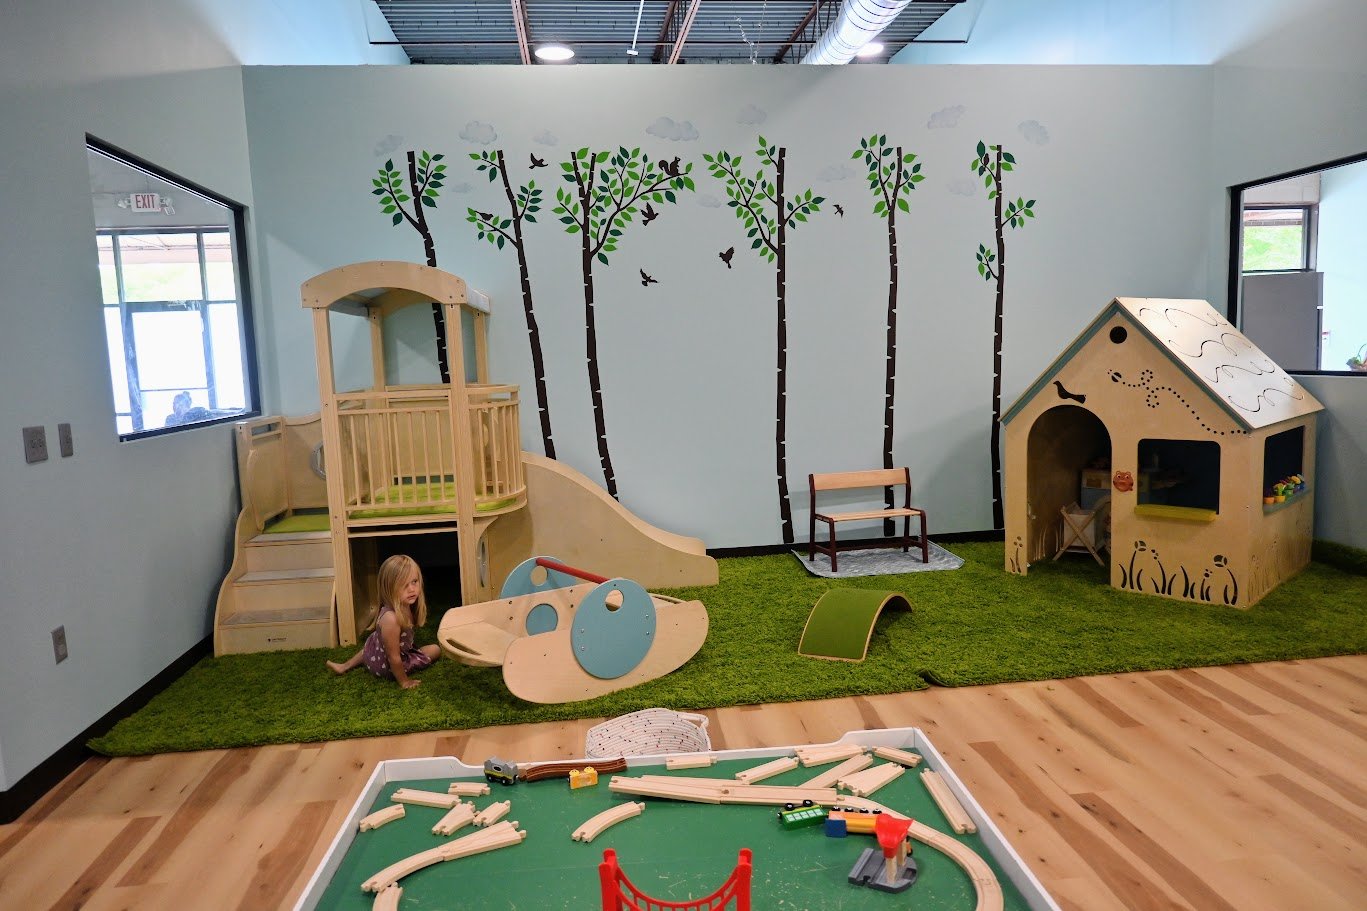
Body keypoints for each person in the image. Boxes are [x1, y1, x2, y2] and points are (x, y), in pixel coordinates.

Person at [326, 554, 440, 688]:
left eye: (414, 581)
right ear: (389, 588)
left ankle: (345, 666)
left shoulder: (404, 605)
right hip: (387, 667)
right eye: (403, 585)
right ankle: (348, 666)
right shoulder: (391, 619)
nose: (411, 589)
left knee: (374, 640)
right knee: (435, 650)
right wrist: (404, 681)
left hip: (375, 653)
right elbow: (394, 658)